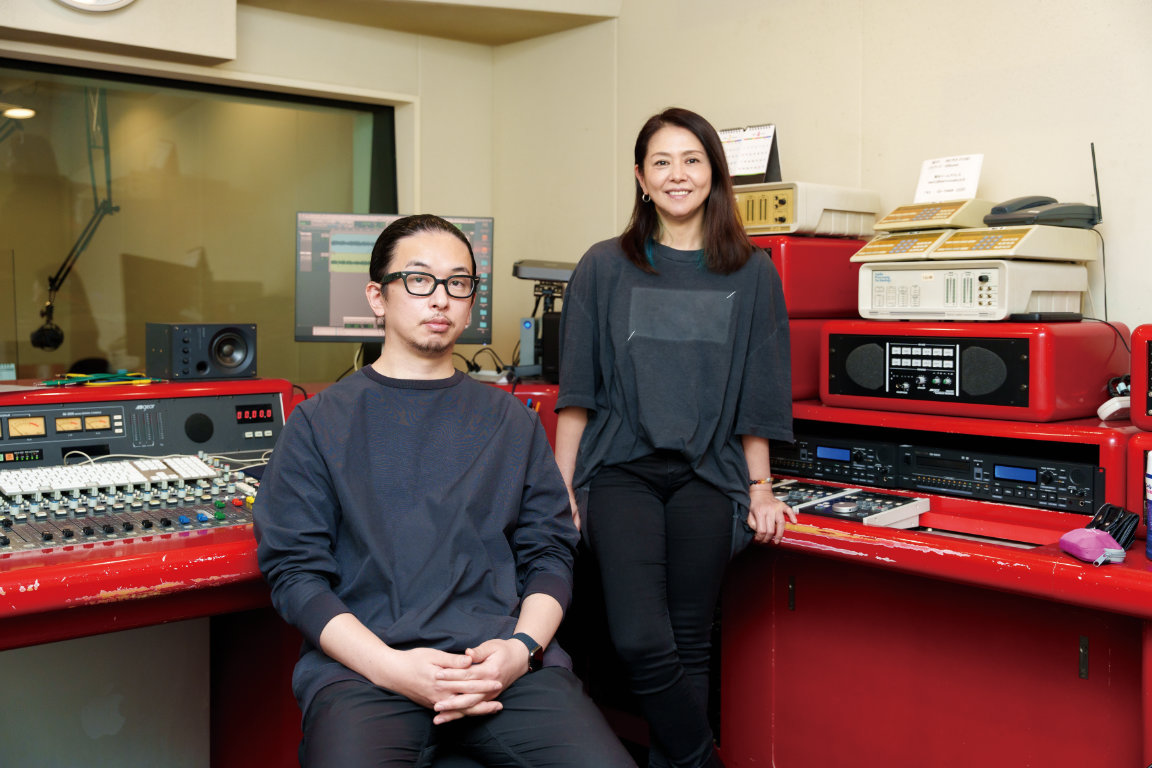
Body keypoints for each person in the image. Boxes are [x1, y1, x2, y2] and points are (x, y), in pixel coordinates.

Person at [254, 214, 636, 768]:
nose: (440, 298)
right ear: (377, 297)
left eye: (458, 283)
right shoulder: (319, 423)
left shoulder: (513, 421)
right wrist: (392, 668)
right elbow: (295, 574)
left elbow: (550, 553)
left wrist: (521, 651)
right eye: (418, 279)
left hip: (501, 668)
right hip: (369, 672)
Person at [554, 108, 796, 768]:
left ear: (714, 172)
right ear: (641, 177)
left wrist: (761, 488)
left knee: (690, 644)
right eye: (661, 162)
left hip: (708, 475)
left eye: (692, 160)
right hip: (620, 470)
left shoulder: (751, 272)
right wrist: (560, 486)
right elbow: (578, 390)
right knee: (638, 639)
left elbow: (758, 396)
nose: (677, 174)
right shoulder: (604, 266)